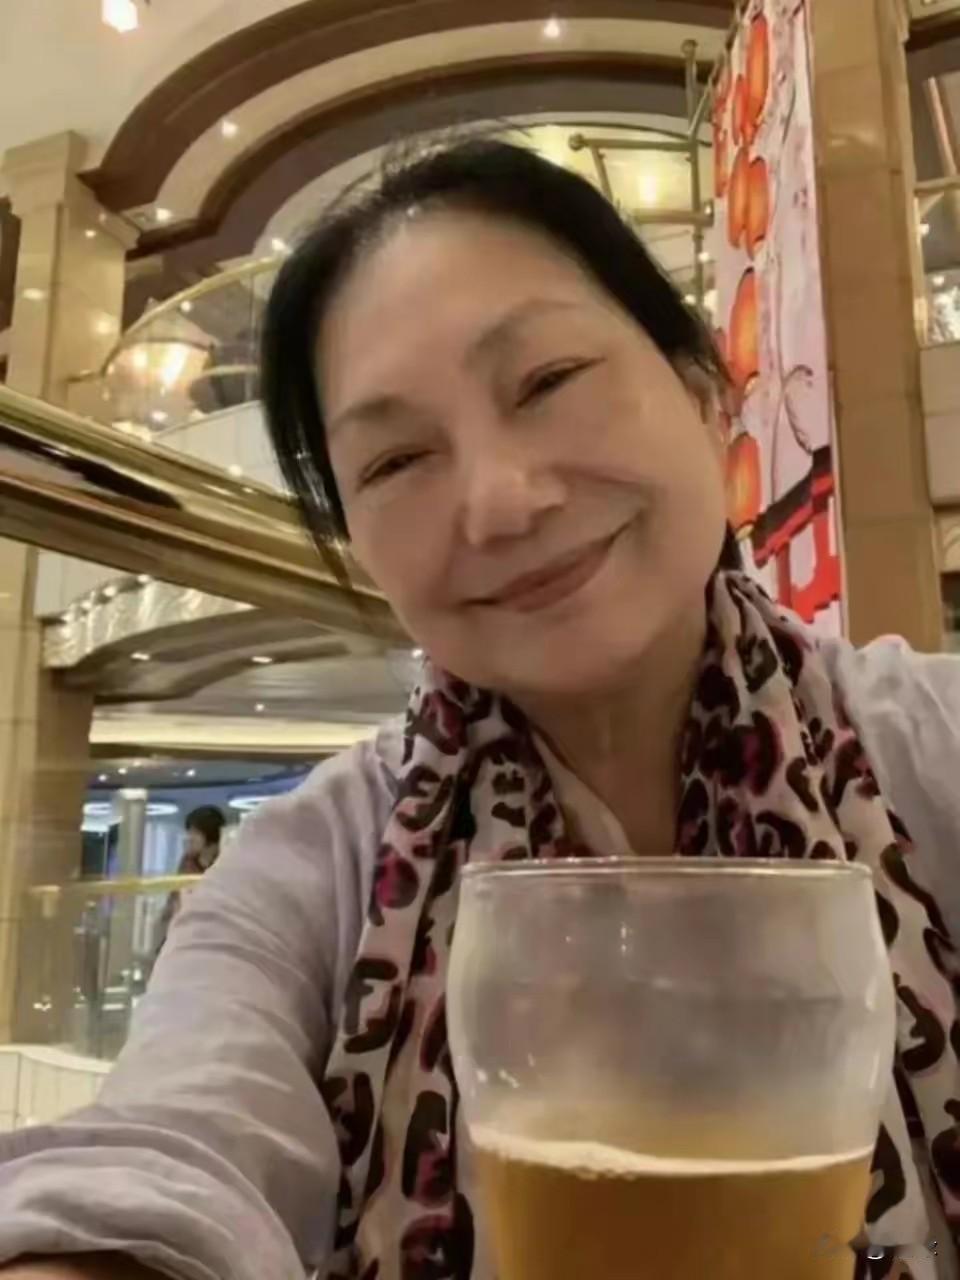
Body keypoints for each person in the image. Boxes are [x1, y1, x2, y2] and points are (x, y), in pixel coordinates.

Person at [0, 139, 959, 1280]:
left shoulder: (930, 750)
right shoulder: (320, 866)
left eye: (547, 381)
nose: (501, 501)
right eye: (398, 460)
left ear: (706, 390)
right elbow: (176, 1146)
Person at [151, 806, 226, 957]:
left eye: (195, 833)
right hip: (181, 936)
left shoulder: (225, 865)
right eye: (189, 832)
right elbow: (174, 898)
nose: (189, 838)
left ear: (211, 836)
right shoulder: (187, 862)